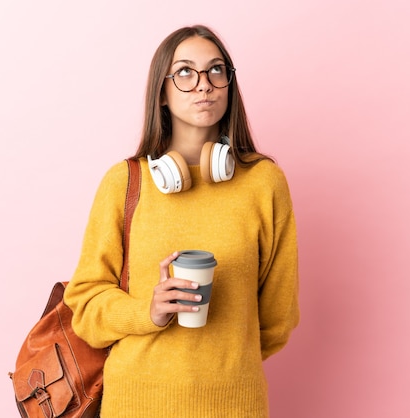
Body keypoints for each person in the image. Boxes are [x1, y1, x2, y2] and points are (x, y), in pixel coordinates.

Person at [64, 24, 299, 418]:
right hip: (136, 404)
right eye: (186, 73)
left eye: (216, 71)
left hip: (234, 405)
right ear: (162, 93)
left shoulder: (264, 183)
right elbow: (85, 307)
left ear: (229, 85)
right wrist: (148, 311)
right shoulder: (123, 183)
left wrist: (223, 362)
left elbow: (278, 319)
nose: (204, 85)